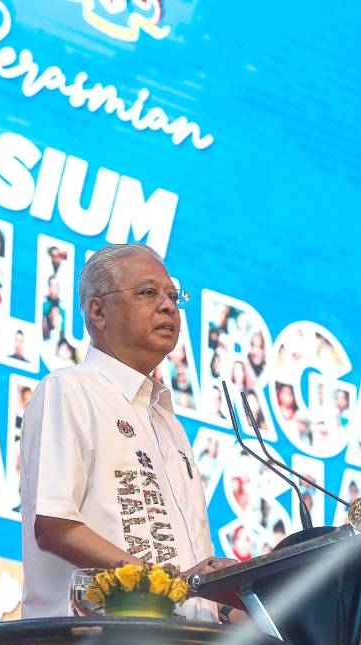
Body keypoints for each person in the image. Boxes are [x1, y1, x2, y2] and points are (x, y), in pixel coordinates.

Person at [19, 244, 236, 622]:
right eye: (149, 293)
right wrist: (166, 587)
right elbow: (55, 525)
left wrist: (225, 604)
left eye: (173, 296)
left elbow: (190, 567)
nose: (168, 306)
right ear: (98, 311)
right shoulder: (71, 389)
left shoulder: (169, 423)